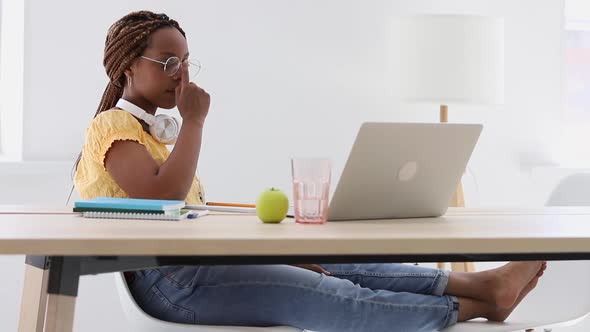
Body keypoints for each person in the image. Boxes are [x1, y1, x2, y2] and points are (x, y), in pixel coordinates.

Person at [74, 10, 546, 332]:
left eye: (187, 62)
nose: (183, 76)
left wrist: (259, 259)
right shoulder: (113, 126)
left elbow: (183, 218)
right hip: (170, 284)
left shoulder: (155, 133)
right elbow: (167, 199)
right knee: (329, 295)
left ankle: (477, 284)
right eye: (170, 63)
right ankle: (478, 304)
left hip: (199, 269)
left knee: (341, 267)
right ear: (128, 67)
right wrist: (195, 120)